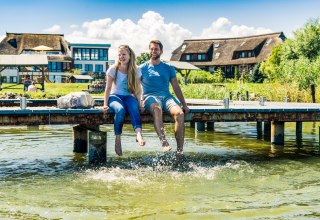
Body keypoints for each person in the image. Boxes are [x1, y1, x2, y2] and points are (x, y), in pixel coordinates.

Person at [139, 40, 190, 155]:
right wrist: (140, 102)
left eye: (156, 49)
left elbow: (176, 87)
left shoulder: (168, 67)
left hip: (167, 97)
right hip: (150, 97)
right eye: (151, 49)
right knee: (157, 108)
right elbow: (136, 88)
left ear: (161, 51)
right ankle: (164, 142)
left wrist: (184, 104)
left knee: (179, 114)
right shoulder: (142, 68)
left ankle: (179, 151)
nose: (153, 51)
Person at [102, 45, 145, 156]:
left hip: (129, 96)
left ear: (130, 56)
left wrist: (140, 102)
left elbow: (138, 89)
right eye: (119, 54)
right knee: (120, 110)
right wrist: (105, 104)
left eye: (124, 54)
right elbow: (107, 88)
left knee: (134, 107)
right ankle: (118, 139)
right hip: (114, 96)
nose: (121, 57)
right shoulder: (113, 69)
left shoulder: (136, 70)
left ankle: (139, 133)